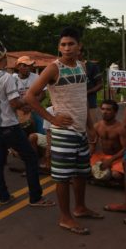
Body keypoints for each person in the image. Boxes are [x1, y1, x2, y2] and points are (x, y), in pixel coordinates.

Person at [25, 27, 103, 235]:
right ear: (59, 47)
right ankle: (65, 217)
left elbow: (82, 98)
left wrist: (90, 125)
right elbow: (30, 97)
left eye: (71, 44)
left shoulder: (81, 67)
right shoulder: (53, 68)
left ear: (80, 46)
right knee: (62, 177)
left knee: (81, 173)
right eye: (63, 45)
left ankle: (80, 208)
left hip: (80, 130)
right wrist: (51, 118)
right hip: (63, 132)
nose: (66, 48)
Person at [0, 38, 55, 207]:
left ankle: (3, 196)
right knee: (30, 157)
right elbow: (14, 103)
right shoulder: (7, 78)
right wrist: (27, 100)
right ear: (4, 57)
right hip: (8, 125)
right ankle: (36, 197)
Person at [90, 100, 126, 183]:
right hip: (102, 156)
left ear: (115, 112)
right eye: (103, 109)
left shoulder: (120, 128)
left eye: (108, 110)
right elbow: (93, 144)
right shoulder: (97, 126)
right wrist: (89, 154)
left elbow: (125, 149)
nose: (104, 112)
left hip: (118, 157)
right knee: (84, 169)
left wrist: (111, 160)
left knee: (116, 175)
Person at [14, 56, 46, 135]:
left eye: (30, 65)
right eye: (24, 66)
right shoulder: (12, 79)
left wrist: (31, 106)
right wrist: (21, 107)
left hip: (34, 109)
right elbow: (10, 98)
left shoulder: (36, 77)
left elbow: (42, 94)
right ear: (18, 67)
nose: (28, 68)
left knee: (41, 131)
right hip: (18, 111)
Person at [79, 48, 103, 124]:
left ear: (82, 53)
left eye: (77, 51)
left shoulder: (92, 66)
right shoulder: (67, 67)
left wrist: (87, 92)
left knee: (92, 128)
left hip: (90, 103)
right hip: (74, 106)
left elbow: (100, 85)